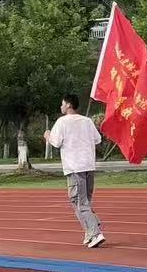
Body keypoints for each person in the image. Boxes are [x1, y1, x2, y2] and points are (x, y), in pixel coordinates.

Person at [44, 94, 105, 249]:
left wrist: (48, 135)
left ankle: (95, 232)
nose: (61, 106)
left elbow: (56, 142)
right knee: (84, 201)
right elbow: (97, 139)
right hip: (89, 166)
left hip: (74, 167)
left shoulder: (62, 122)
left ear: (69, 105)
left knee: (79, 202)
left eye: (62, 103)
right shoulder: (87, 121)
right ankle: (90, 229)